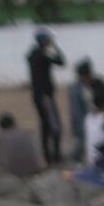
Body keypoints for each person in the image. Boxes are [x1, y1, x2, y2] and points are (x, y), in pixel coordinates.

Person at [25, 29, 65, 166]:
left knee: (45, 125)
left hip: (38, 95)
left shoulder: (33, 54)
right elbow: (61, 62)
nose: (50, 41)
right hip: (45, 96)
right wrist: (55, 47)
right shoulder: (42, 55)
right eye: (48, 39)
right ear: (42, 40)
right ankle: (55, 156)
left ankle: (48, 156)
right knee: (55, 126)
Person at [0, 111, 43, 179]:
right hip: (33, 173)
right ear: (14, 123)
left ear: (0, 126)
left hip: (12, 176)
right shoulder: (28, 134)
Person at [67, 60, 95, 164]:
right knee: (79, 146)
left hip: (90, 120)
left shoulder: (92, 85)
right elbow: (76, 111)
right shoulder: (75, 89)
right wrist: (84, 126)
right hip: (81, 123)